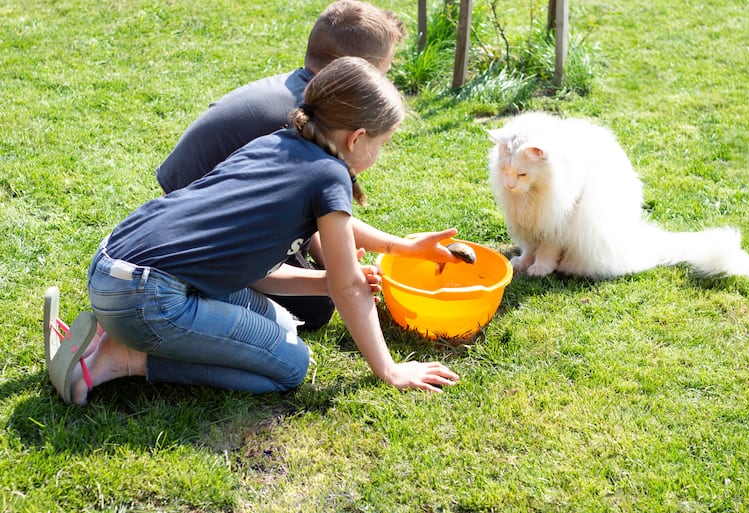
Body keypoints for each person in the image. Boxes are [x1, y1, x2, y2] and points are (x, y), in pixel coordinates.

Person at [52, 56, 459, 406]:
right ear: (357, 139)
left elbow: (256, 268)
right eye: (382, 143)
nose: (379, 153)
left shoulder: (278, 144)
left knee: (282, 323)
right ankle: (119, 357)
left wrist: (402, 247)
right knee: (291, 366)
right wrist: (389, 370)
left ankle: (112, 328)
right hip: (146, 296)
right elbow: (348, 286)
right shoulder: (331, 175)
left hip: (112, 265)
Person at [155, 0, 459, 331]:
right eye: (383, 72)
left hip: (187, 205)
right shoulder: (306, 120)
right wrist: (344, 267)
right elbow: (310, 207)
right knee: (315, 306)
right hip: (202, 229)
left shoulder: (308, 100)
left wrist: (340, 252)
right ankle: (200, 297)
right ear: (354, 72)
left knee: (321, 280)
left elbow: (304, 206)